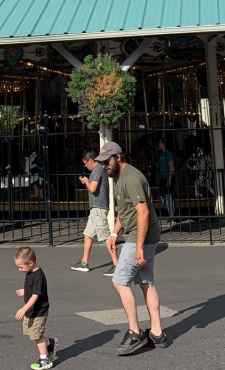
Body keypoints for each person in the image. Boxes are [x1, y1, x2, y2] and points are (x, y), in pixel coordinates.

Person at [96, 141, 169, 356]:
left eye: (106, 162)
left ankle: (135, 331)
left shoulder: (132, 178)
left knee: (119, 281)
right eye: (101, 163)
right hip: (137, 236)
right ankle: (157, 332)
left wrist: (138, 248)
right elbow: (125, 211)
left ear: (118, 157)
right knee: (146, 281)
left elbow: (143, 213)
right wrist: (114, 233)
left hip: (140, 237)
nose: (104, 166)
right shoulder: (118, 177)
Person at [71, 149, 118, 275]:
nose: (85, 166)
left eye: (86, 163)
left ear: (91, 160)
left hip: (98, 208)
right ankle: (84, 263)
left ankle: (116, 265)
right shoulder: (100, 169)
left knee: (106, 237)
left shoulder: (97, 169)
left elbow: (92, 188)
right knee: (88, 235)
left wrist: (86, 181)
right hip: (96, 209)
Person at [14, 246, 57, 370]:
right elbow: (32, 290)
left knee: (37, 336)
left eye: (21, 267)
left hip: (39, 311)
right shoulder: (30, 272)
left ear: (30, 263)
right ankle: (49, 343)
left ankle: (45, 359)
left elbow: (35, 296)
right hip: (33, 311)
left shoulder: (38, 276)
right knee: (31, 333)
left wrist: (23, 309)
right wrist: (25, 291)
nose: (19, 269)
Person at [156, 138, 175, 219]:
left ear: (164, 143)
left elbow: (171, 167)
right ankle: (171, 212)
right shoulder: (162, 155)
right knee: (160, 195)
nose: (158, 144)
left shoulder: (168, 154)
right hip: (163, 177)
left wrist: (169, 179)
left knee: (168, 195)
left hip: (168, 177)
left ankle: (172, 215)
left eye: (159, 142)